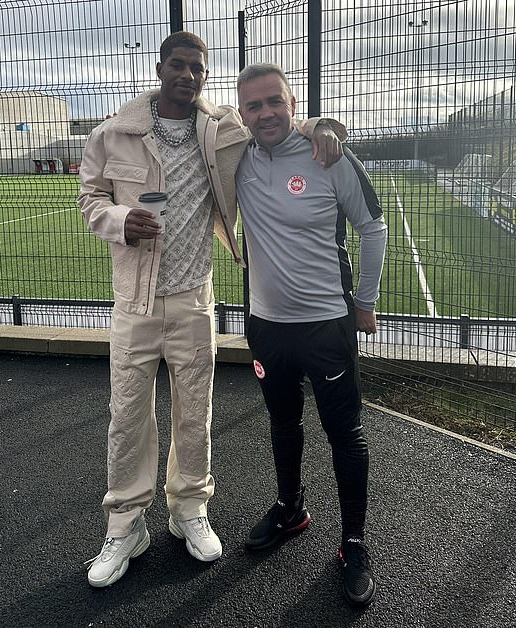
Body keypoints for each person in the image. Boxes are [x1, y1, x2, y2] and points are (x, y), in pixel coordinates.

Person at [78, 32, 346, 588]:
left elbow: (275, 119)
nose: (187, 75)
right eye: (177, 65)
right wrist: (119, 222)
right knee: (128, 414)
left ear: (205, 74)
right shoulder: (114, 132)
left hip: (194, 297)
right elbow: (90, 199)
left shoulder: (219, 130)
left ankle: (189, 510)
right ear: (159, 69)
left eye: (197, 67)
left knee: (193, 411)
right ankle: (125, 524)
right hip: (135, 301)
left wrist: (322, 126)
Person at [235, 63, 387, 607]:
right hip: (266, 327)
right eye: (253, 105)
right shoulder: (236, 157)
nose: (265, 113)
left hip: (326, 325)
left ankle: (353, 544)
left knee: (345, 435)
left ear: (292, 103)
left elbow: (373, 226)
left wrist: (364, 304)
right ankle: (290, 508)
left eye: (275, 101)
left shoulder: (328, 155)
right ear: (242, 114)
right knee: (281, 420)